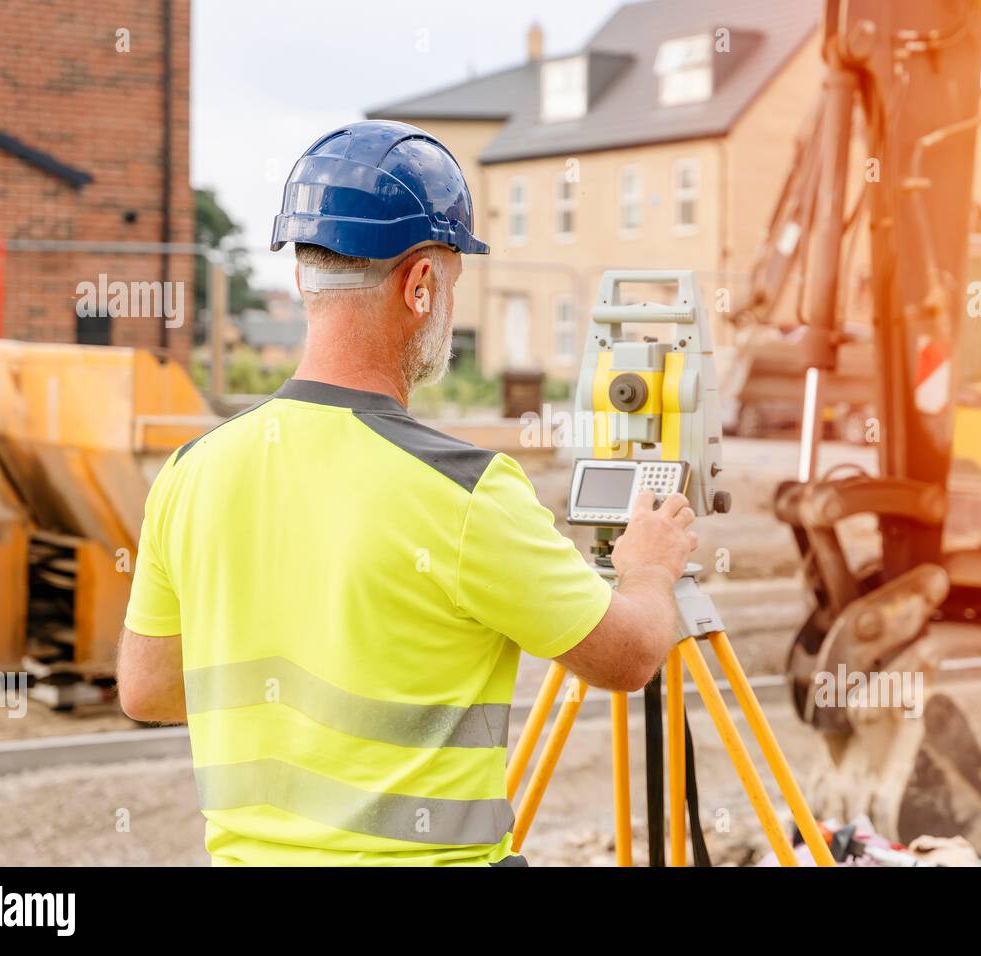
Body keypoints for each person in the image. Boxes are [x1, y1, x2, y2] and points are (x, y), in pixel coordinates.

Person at [116, 120, 697, 866]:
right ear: (420, 284)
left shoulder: (193, 469)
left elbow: (148, 689)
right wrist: (648, 569)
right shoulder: (464, 491)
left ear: (302, 276)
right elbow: (627, 659)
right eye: (452, 280)